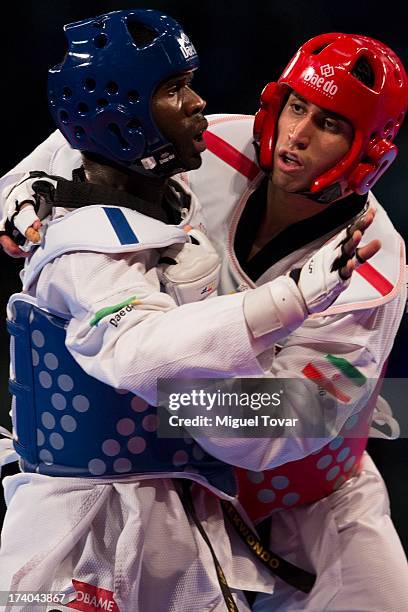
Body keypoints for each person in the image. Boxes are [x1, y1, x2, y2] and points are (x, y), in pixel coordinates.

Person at [0, 22, 406, 610]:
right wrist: (22, 188)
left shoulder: (373, 274)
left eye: (330, 124)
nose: (297, 134)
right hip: (177, 486)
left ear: (369, 150)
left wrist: (141, 380)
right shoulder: (208, 145)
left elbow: (278, 429)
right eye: (297, 107)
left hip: (311, 500)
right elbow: (87, 142)